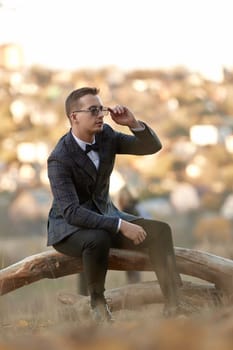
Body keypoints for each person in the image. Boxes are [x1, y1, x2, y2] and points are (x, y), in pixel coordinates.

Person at [47, 87, 184, 323]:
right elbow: (71, 212)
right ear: (74, 117)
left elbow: (151, 147)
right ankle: (98, 307)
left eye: (101, 109)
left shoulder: (107, 135)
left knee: (161, 231)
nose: (100, 114)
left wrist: (133, 123)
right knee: (97, 238)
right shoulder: (60, 158)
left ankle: (174, 305)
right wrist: (119, 225)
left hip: (106, 216)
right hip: (70, 230)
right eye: (93, 110)